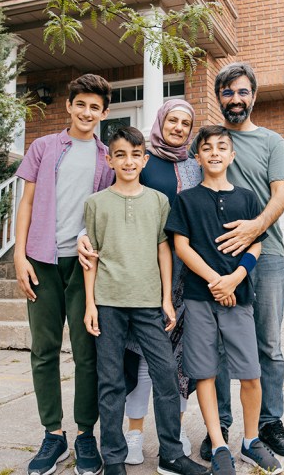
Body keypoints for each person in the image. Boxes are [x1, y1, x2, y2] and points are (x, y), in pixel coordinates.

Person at [83, 126, 209, 475]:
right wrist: (91, 305)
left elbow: (163, 250)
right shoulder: (96, 204)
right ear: (109, 159)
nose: (128, 161)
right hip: (108, 303)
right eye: (120, 154)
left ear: (145, 158)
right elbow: (91, 256)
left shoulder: (158, 201)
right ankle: (113, 458)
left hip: (148, 303)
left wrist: (167, 299)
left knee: (166, 374)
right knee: (110, 381)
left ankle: (171, 453)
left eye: (135, 155)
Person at [192, 62, 284, 461]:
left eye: (242, 92)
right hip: (215, 261)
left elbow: (282, 194)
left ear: (253, 95)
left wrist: (254, 228)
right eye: (227, 92)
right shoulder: (210, 140)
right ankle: (219, 425)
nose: (235, 99)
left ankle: (269, 424)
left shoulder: (272, 142)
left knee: (267, 345)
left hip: (266, 256)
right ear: (218, 97)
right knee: (218, 346)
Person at [168, 125, 284, 475]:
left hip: (239, 297)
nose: (215, 152)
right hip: (200, 298)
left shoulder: (248, 198)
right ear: (197, 156)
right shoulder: (186, 199)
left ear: (231, 155)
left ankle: (251, 442)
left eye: (222, 147)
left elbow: (256, 243)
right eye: (207, 148)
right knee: (204, 372)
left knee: (250, 372)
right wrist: (214, 280)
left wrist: (235, 278)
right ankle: (218, 443)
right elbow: (181, 246)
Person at [13, 74, 114, 475]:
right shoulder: (44, 147)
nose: (87, 112)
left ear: (104, 113)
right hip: (41, 260)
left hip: (85, 266)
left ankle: (86, 434)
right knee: (44, 350)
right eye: (81, 104)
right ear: (69, 106)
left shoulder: (107, 158)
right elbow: (27, 203)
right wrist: (19, 257)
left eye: (95, 107)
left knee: (87, 352)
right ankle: (53, 435)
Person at [120, 100, 202, 464]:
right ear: (160, 121)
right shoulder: (143, 161)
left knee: (180, 360)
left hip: (187, 276)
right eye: (173, 120)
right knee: (140, 358)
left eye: (186, 123)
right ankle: (134, 434)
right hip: (144, 272)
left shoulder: (195, 167)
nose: (179, 127)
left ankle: (176, 429)